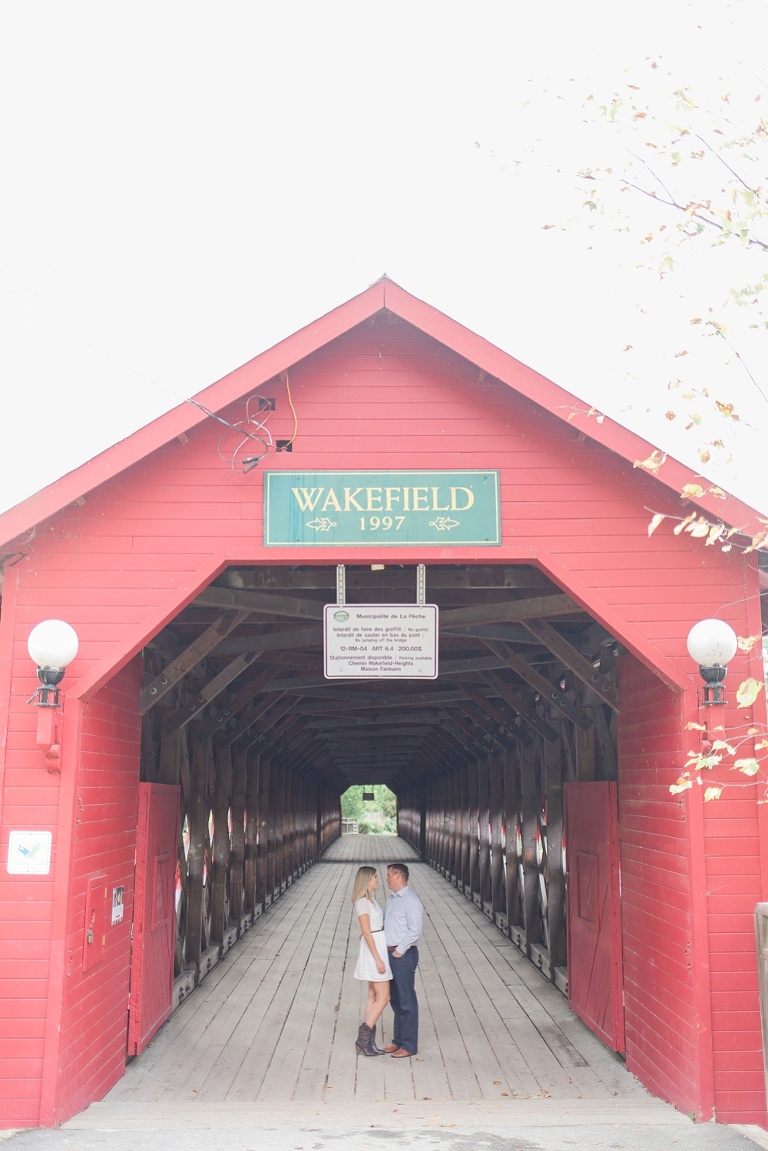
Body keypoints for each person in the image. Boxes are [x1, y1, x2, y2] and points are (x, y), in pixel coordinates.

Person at [383, 862, 424, 1058]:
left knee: (407, 1000)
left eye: (389, 875)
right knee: (396, 1000)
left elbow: (415, 930)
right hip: (390, 954)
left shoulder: (411, 900)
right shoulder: (392, 899)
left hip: (403, 955)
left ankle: (408, 1045)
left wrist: (399, 951)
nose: (386, 878)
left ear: (399, 876)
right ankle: (397, 1041)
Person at [351, 865, 391, 1056]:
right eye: (375, 877)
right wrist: (378, 959)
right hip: (375, 951)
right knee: (385, 997)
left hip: (377, 944)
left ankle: (368, 1043)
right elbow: (366, 931)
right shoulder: (362, 903)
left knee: (373, 996)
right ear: (366, 880)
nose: (378, 880)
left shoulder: (371, 901)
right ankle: (363, 1037)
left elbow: (370, 929)